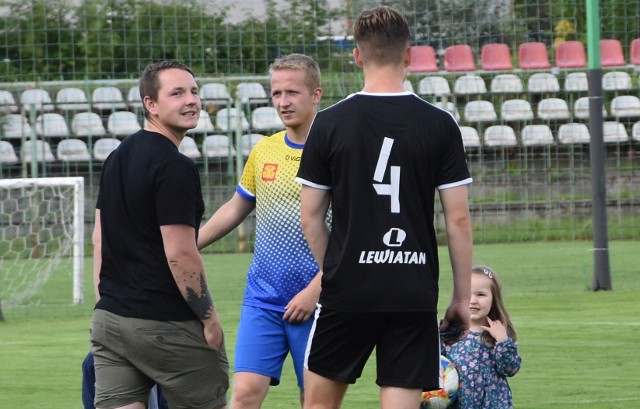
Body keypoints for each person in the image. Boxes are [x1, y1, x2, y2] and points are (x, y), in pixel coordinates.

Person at [295, 5, 473, 409]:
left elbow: (310, 216)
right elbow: (458, 219)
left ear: (357, 56)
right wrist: (461, 298)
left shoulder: (329, 123)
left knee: (319, 404)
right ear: (410, 54)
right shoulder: (440, 123)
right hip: (412, 288)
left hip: (348, 289)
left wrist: (336, 268)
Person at [90, 60, 229, 409]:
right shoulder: (175, 167)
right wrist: (209, 319)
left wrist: (104, 304)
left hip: (110, 321)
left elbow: (98, 239)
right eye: (177, 93)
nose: (191, 101)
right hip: (165, 322)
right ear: (150, 104)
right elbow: (180, 253)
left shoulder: (116, 157)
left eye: (195, 92)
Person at [197, 53, 324, 408]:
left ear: (316, 94)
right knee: (243, 396)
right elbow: (237, 206)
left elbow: (352, 232)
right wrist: (191, 245)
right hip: (263, 298)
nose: (283, 102)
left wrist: (316, 289)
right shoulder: (264, 150)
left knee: (314, 400)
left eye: (293, 92)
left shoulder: (336, 152)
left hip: (319, 303)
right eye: (277, 93)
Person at [442, 266, 521, 409]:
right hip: (459, 404)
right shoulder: (450, 333)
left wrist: (503, 341)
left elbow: (510, 369)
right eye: (467, 295)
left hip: (493, 404)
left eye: (481, 295)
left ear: (493, 299)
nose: (473, 300)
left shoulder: (499, 333)